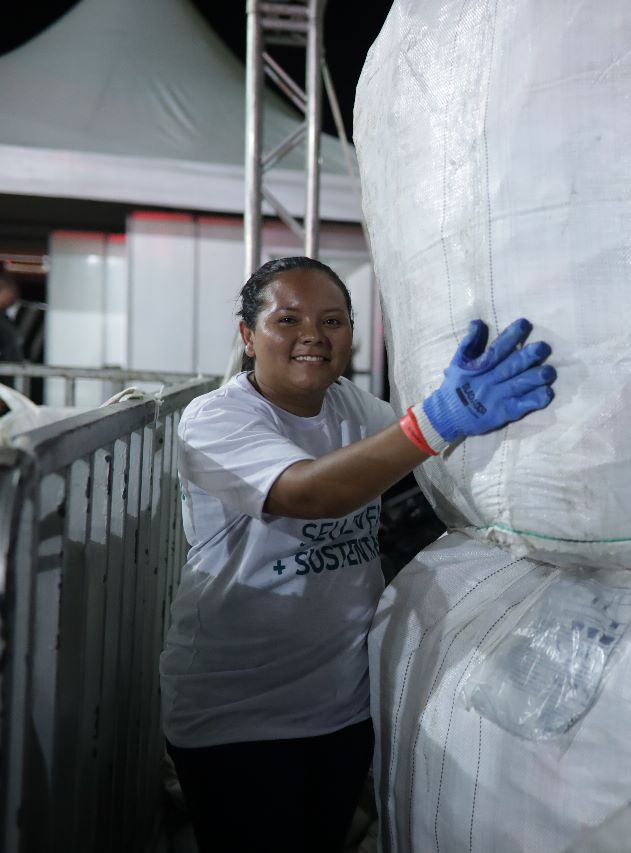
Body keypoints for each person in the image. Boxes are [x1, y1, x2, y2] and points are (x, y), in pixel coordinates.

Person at [159, 256, 556, 852]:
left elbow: (417, 464)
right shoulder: (217, 419)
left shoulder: (356, 410)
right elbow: (310, 492)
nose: (313, 336)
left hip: (340, 708)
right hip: (238, 714)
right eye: (287, 319)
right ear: (247, 336)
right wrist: (435, 421)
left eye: (334, 320)